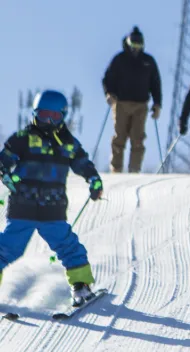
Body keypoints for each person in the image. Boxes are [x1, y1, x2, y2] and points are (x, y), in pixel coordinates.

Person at [0, 90, 103, 306]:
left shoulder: (67, 143)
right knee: (8, 248)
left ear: (63, 117)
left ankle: (81, 286)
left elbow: (82, 163)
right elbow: (4, 160)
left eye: (54, 117)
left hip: (52, 209)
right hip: (23, 206)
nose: (48, 121)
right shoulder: (23, 138)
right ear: (35, 114)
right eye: (44, 115)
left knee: (68, 246)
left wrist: (93, 179)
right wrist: (6, 175)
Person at [102, 26, 163, 173]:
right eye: (133, 45)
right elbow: (107, 79)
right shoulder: (119, 59)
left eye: (138, 45)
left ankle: (134, 170)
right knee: (119, 138)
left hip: (141, 105)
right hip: (121, 103)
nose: (136, 48)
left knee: (138, 139)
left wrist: (157, 104)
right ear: (128, 43)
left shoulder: (148, 61)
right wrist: (108, 93)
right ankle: (116, 169)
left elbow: (155, 83)